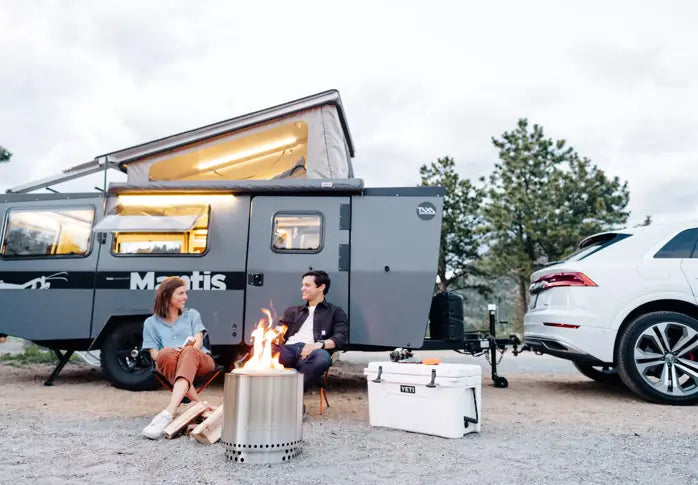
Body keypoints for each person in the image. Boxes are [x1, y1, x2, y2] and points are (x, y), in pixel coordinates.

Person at [140, 276, 215, 439]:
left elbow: (198, 341)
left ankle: (169, 412)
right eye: (181, 293)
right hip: (170, 362)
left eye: (185, 293)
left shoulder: (192, 315)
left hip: (200, 360)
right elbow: (154, 354)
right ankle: (198, 405)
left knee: (188, 352)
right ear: (167, 296)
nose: (185, 297)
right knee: (165, 353)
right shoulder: (150, 323)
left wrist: (186, 350)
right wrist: (173, 352)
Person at [274, 270, 348, 391]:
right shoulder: (292, 311)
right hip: (288, 351)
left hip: (313, 352)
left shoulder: (335, 311)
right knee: (259, 350)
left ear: (321, 287)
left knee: (322, 359)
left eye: (307, 285)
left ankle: (291, 396)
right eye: (302, 285)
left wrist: (318, 345)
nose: (302, 288)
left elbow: (340, 337)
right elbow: (278, 332)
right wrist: (274, 336)